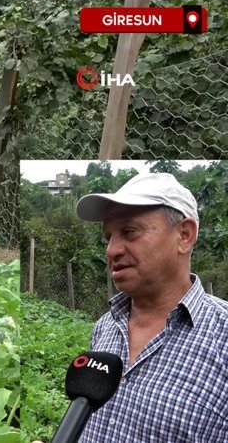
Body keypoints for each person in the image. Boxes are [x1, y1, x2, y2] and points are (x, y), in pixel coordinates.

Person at [74, 172, 228, 442]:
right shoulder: (104, 327)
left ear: (184, 236)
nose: (111, 250)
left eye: (129, 232)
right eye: (108, 237)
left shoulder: (223, 337)